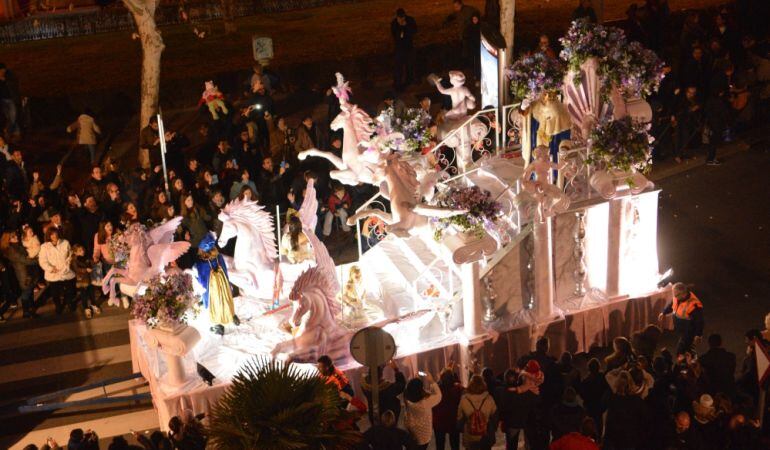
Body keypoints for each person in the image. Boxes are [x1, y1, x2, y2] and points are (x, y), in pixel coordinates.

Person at [194, 233, 239, 336]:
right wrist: (227, 283)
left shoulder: (201, 263)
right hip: (223, 285)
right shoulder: (219, 257)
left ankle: (219, 326)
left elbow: (203, 280)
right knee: (226, 300)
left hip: (211, 290)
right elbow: (225, 271)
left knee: (214, 306)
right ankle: (232, 315)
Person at [659, 282, 704, 355]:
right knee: (686, 349)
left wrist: (698, 335)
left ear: (683, 294)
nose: (674, 296)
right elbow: (671, 305)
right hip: (682, 329)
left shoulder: (694, 305)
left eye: (676, 295)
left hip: (688, 332)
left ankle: (686, 361)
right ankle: (690, 358)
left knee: (681, 351)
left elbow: (699, 321)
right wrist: (664, 312)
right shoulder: (677, 297)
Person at [38, 228, 75, 314]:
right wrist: (51, 268)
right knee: (55, 293)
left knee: (70, 290)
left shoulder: (65, 243)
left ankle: (69, 303)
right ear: (49, 236)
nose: (54, 236)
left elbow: (70, 255)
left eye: (55, 233)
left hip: (65, 271)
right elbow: (42, 261)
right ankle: (58, 306)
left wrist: (67, 264)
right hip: (53, 274)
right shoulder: (44, 247)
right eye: (52, 234)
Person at [457, 374, 497, 450]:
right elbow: (495, 415)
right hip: (485, 434)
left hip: (470, 434)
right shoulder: (489, 398)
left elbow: (459, 417)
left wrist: (461, 428)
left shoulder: (464, 399)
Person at [404, 372, 442, 450]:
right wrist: (432, 381)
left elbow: (413, 390)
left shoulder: (407, 399)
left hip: (411, 432)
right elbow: (438, 395)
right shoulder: (425, 403)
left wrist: (415, 381)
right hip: (424, 436)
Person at [361, 359, 406, 424]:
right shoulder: (387, 388)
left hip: (374, 415)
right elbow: (401, 385)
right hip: (388, 417)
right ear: (381, 375)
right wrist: (396, 369)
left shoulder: (365, 386)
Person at [433, 366, 463, 450]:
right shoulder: (457, 389)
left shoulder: (437, 391)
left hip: (439, 421)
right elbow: (458, 383)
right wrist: (453, 374)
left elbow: (438, 384)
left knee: (440, 445)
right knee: (455, 445)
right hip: (453, 420)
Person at [391, 8, 417, 91]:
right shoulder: (394, 23)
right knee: (398, 67)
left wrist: (406, 26)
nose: (401, 19)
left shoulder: (410, 20)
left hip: (408, 46)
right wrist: (400, 27)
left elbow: (414, 31)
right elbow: (395, 35)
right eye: (399, 17)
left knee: (410, 65)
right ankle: (397, 84)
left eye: (402, 17)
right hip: (399, 48)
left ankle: (409, 81)